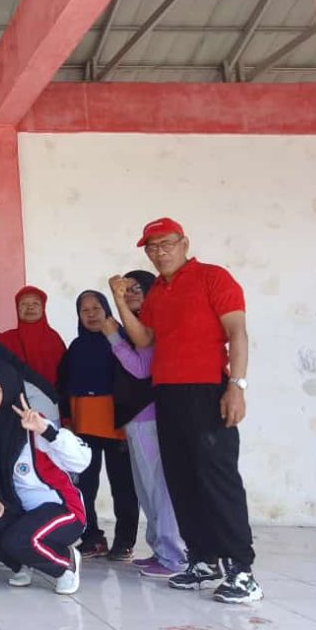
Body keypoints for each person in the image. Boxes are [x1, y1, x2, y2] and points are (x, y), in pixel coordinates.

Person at [112, 217, 260, 603]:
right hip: (167, 394)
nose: (159, 252)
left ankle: (242, 571)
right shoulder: (157, 293)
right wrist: (120, 303)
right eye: (152, 247)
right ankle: (203, 559)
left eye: (166, 244)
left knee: (217, 479)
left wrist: (237, 386)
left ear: (184, 243)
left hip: (208, 391)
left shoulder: (214, 277)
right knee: (182, 480)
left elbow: (237, 333)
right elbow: (145, 340)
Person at [0, 363, 91, 595]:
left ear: (9, 389)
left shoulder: (32, 423)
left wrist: (46, 430)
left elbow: (81, 461)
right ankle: (23, 563)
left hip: (63, 510)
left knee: (17, 540)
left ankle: (66, 563)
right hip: (20, 510)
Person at [103, 270, 186, 579]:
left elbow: (141, 369)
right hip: (138, 418)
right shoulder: (136, 323)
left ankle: (173, 556)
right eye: (126, 289)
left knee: (158, 488)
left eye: (138, 288)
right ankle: (161, 551)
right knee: (147, 488)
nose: (131, 293)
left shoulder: (150, 325)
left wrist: (113, 336)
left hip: (149, 416)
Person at [57, 290, 138, 561]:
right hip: (84, 426)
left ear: (107, 310)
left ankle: (124, 542)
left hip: (118, 427)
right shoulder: (76, 348)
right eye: (85, 310)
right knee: (85, 488)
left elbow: (134, 381)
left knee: (123, 487)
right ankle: (92, 538)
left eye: (96, 308)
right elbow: (63, 386)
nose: (91, 314)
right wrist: (67, 421)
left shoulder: (122, 341)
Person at [0, 286, 66, 386]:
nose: (30, 307)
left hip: (51, 394)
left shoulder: (54, 339)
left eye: (35, 303)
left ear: (43, 308)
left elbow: (65, 375)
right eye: (24, 304)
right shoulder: (6, 339)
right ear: (17, 308)